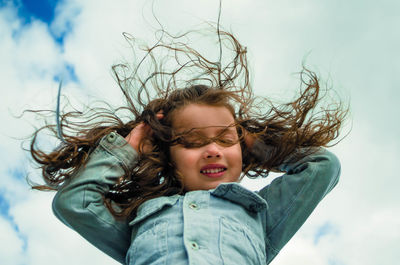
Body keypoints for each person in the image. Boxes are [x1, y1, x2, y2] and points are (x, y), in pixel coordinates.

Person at [29, 27, 347, 265]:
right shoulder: (140, 220)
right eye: (193, 142)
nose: (212, 149)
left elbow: (322, 166)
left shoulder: (260, 215)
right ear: (168, 156)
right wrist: (132, 145)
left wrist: (255, 144)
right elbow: (74, 204)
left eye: (225, 139)